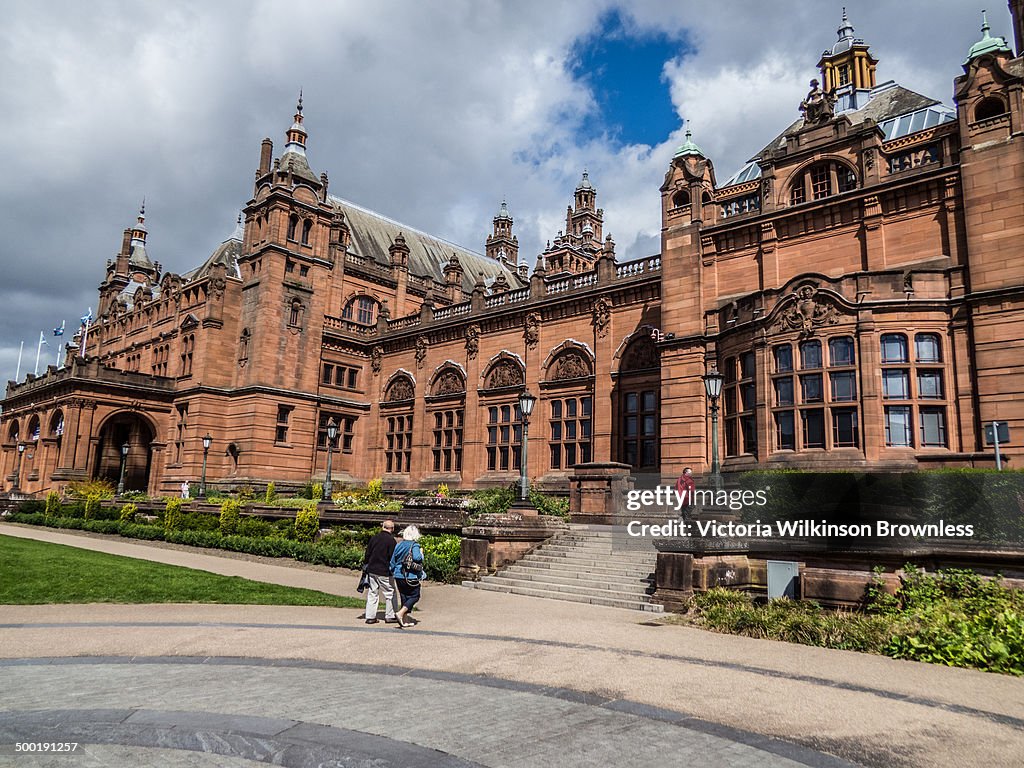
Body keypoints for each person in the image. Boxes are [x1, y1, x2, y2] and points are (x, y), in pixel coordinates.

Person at [361, 519, 398, 624]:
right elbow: (393, 557)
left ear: (383, 527)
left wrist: (367, 565)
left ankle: (370, 616)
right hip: (384, 571)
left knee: (373, 593)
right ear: (392, 529)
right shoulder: (391, 540)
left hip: (372, 570)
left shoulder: (374, 538)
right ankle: (390, 615)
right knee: (390, 593)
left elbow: (367, 554)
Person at [390, 525, 425, 628]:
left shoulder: (399, 544)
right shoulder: (415, 545)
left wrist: (392, 570)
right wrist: (421, 553)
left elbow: (393, 560)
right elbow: (417, 558)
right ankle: (401, 613)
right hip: (410, 575)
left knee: (404, 596)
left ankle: (404, 620)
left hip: (398, 574)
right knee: (415, 595)